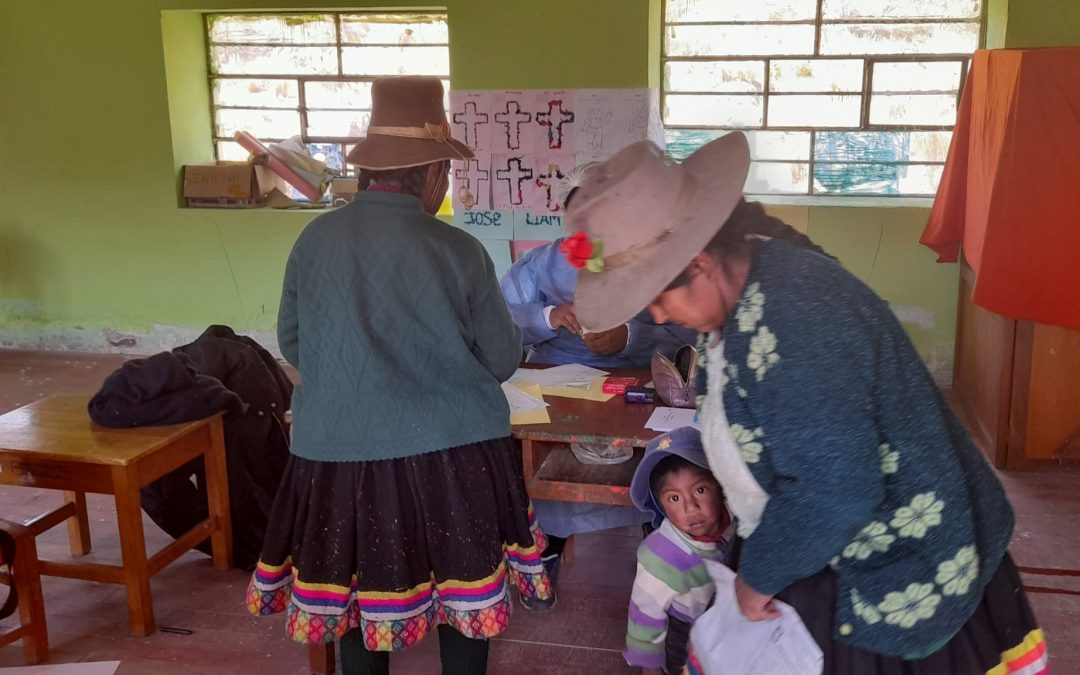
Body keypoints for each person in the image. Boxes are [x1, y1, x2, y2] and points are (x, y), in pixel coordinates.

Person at [565, 134, 1046, 674]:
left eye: (658, 296)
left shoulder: (797, 317)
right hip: (818, 544)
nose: (656, 315)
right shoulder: (741, 290)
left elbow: (836, 488)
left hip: (896, 563)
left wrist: (758, 577)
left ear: (699, 263)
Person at [246, 76, 551, 675]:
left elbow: (294, 344)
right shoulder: (458, 249)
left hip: (338, 452)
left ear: (369, 170)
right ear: (433, 172)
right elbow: (500, 358)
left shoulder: (314, 239)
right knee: (466, 589)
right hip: (454, 453)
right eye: (447, 172)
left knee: (360, 590)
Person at [500, 163, 698, 611]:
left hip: (637, 379)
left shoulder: (651, 262)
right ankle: (546, 545)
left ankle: (659, 538)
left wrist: (629, 336)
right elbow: (498, 317)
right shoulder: (541, 263)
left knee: (661, 455)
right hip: (558, 379)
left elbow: (687, 332)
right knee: (535, 455)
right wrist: (548, 318)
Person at [625, 427, 734, 675]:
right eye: (674, 498)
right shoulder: (660, 555)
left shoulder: (739, 521)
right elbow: (645, 616)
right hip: (686, 634)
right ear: (661, 504)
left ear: (719, 485)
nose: (691, 508)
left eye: (700, 490)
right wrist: (650, 669)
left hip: (730, 625)